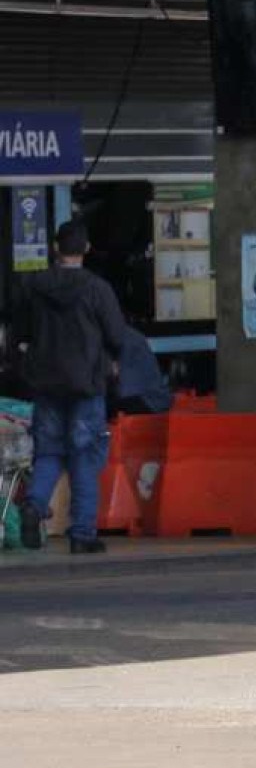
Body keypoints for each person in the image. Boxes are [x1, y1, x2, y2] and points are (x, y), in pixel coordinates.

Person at [9, 222, 129, 553]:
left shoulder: (33, 286)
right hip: (87, 384)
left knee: (48, 451)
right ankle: (82, 534)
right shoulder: (97, 289)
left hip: (46, 382)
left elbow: (18, 331)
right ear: (86, 249)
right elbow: (117, 335)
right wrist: (113, 359)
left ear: (54, 248)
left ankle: (34, 504)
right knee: (84, 455)